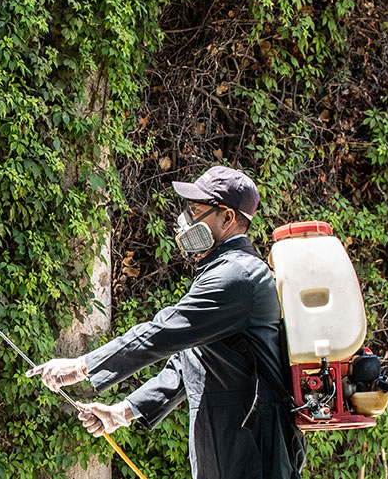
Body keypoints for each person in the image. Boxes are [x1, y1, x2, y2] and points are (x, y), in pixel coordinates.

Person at [26, 165, 304, 479]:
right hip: (228, 444)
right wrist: (123, 412)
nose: (187, 220)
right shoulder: (221, 270)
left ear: (227, 218)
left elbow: (162, 332)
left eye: (198, 211)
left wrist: (82, 366)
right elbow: (191, 360)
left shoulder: (236, 276)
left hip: (253, 451)